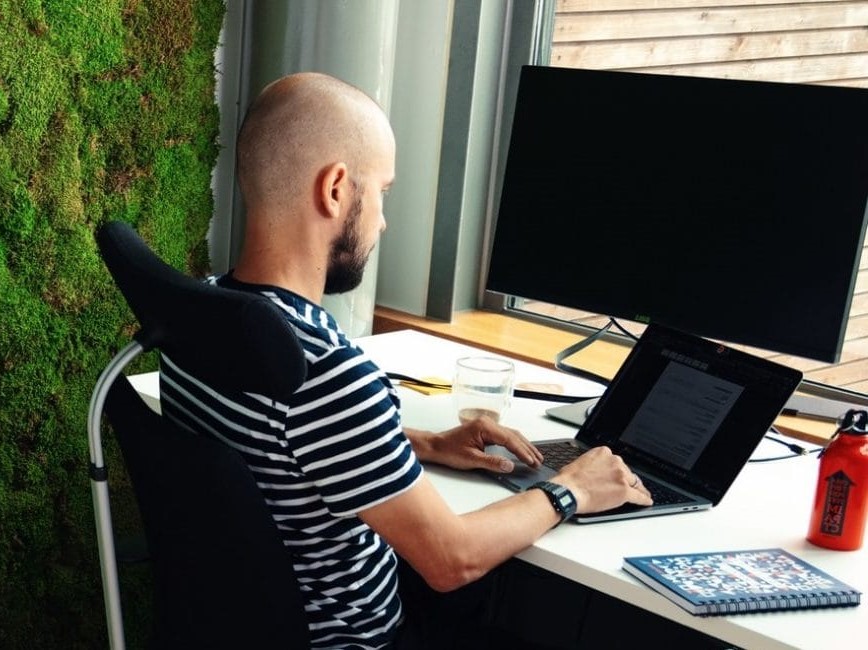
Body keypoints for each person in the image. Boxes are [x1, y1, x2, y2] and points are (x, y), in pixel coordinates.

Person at [159, 71, 652, 649]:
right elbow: (451, 560)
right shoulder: (324, 370)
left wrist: (423, 442)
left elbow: (278, 444)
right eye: (383, 193)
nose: (384, 222)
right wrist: (574, 488)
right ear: (336, 189)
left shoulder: (201, 312)